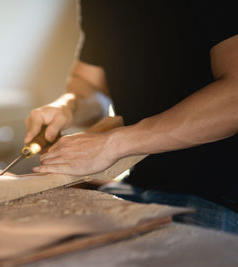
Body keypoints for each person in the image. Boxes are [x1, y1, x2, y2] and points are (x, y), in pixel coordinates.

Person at [24, 1, 238, 233]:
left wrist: (114, 144)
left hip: (217, 195)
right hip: (140, 184)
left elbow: (233, 100)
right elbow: (90, 87)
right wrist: (66, 107)